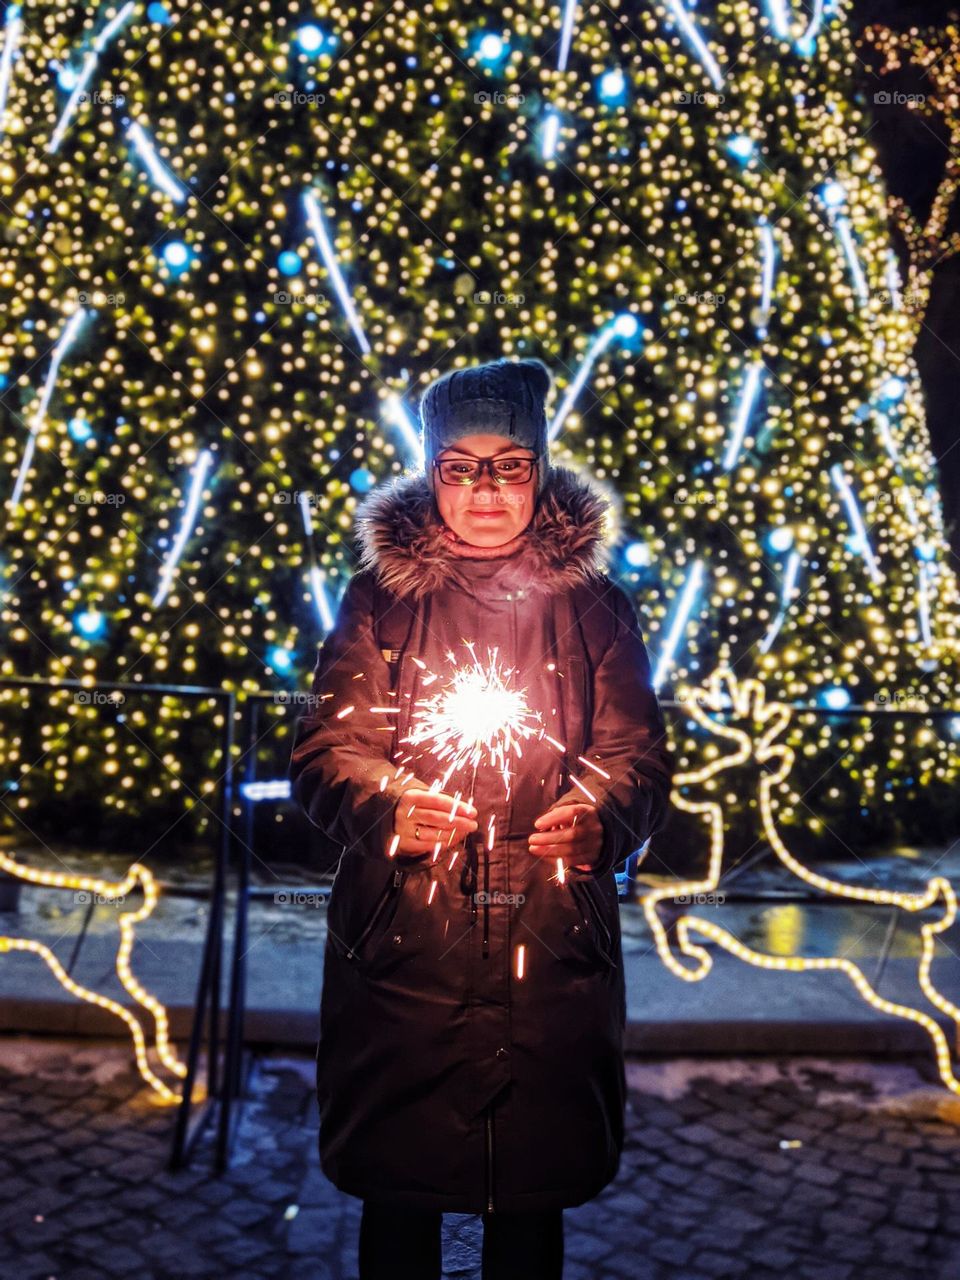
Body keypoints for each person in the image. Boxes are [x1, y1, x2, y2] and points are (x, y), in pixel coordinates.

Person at [289, 357, 674, 1279]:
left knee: (530, 1206)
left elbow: (639, 755)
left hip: (549, 946)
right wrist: (386, 805)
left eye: (508, 463)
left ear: (540, 471)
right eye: (462, 466)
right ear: (431, 475)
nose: (486, 488)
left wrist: (601, 818)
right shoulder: (380, 601)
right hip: (404, 950)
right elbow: (324, 753)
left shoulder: (594, 609)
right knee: (402, 1198)